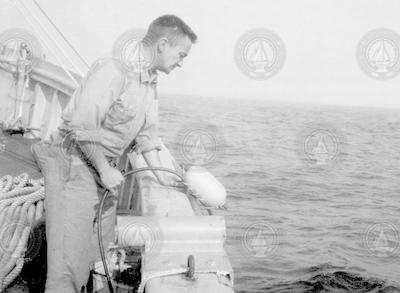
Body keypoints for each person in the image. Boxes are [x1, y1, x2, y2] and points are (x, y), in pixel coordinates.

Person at [31, 14, 197, 293]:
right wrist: (105, 170)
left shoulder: (150, 80)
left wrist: (166, 179)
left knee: (99, 254)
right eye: (181, 54)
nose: (181, 62)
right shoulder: (115, 69)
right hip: (74, 164)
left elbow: (147, 139)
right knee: (67, 266)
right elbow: (82, 127)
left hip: (105, 172)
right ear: (163, 44)